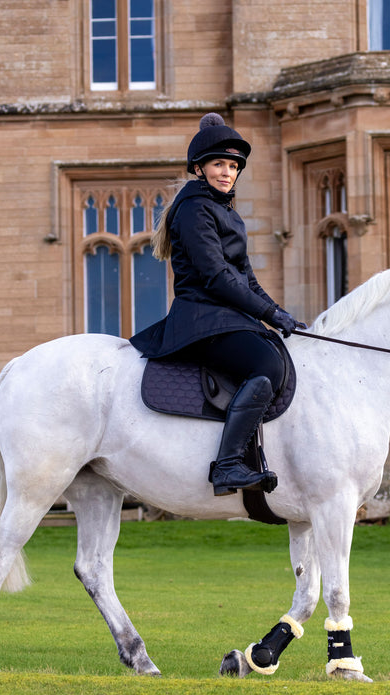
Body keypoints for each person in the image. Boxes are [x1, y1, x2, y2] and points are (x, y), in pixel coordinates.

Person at [131, 113, 306, 497]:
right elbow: (216, 277)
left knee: (281, 351)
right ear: (199, 168)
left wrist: (280, 314)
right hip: (202, 319)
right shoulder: (195, 209)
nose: (227, 172)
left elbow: (247, 279)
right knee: (267, 365)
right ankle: (227, 466)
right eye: (218, 164)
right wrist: (268, 314)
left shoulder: (226, 212)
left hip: (226, 317)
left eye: (232, 166)